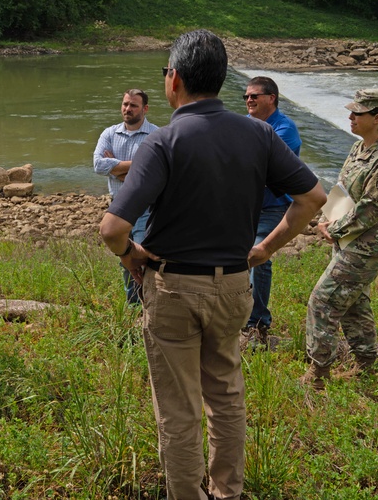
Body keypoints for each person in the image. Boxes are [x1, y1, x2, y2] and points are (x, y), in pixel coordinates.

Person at [99, 30, 326, 500]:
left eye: (165, 72)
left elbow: (112, 228)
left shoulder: (162, 142)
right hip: (233, 287)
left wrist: (130, 257)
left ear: (174, 79)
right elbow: (313, 198)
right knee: (226, 398)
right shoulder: (260, 134)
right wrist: (265, 248)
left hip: (174, 288)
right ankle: (229, 492)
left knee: (179, 409)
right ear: (222, 80)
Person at [303, 88, 378, 391]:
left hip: (367, 244)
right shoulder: (359, 148)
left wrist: (333, 230)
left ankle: (318, 374)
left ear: (377, 118)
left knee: (323, 301)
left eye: (357, 113)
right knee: (353, 304)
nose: (350, 117)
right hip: (348, 239)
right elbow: (343, 191)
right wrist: (327, 220)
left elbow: (370, 212)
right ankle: (366, 366)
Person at [241, 76, 302, 349]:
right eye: (246, 97)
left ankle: (257, 324)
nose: (249, 100)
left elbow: (260, 167)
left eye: (254, 96)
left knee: (260, 255)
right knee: (237, 258)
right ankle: (239, 315)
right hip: (244, 205)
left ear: (271, 99)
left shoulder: (285, 130)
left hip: (271, 206)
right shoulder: (245, 125)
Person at [93, 88, 159, 304]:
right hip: (118, 207)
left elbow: (158, 173)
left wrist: (117, 167)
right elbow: (99, 165)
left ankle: (148, 307)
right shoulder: (109, 134)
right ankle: (133, 307)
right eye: (125, 104)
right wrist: (139, 167)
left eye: (133, 105)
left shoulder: (156, 136)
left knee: (143, 257)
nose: (127, 109)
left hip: (146, 208)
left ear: (145, 108)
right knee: (125, 258)